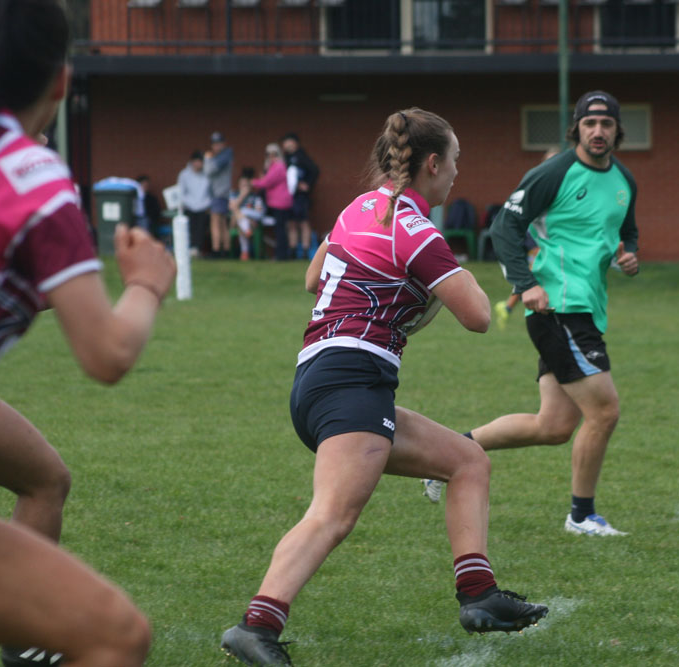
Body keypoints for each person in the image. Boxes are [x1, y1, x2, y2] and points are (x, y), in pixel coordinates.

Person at [219, 108, 548, 667]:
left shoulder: (357, 208)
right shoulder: (417, 230)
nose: (457, 174)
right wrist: (443, 276)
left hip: (323, 377)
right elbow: (478, 316)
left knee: (467, 460)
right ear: (433, 163)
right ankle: (257, 625)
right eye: (456, 161)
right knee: (331, 515)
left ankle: (480, 596)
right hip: (353, 380)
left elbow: (312, 278)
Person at [0, 0, 176, 664]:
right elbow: (108, 352)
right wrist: (146, 282)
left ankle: (23, 642)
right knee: (115, 634)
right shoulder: (28, 173)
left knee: (44, 476)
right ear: (61, 80)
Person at [424, 91, 639, 538]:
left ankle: (449, 452)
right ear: (577, 129)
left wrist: (628, 254)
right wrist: (526, 285)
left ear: (618, 130)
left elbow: (627, 230)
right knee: (604, 411)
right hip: (558, 306)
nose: (598, 131)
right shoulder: (554, 172)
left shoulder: (624, 181)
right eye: (589, 123)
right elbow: (505, 225)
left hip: (588, 308)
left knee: (554, 426)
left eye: (606, 123)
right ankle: (582, 517)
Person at [493, 147, 558, 331]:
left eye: (556, 162)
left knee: (535, 276)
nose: (553, 167)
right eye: (549, 162)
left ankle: (507, 308)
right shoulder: (537, 187)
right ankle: (508, 308)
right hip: (531, 241)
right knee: (532, 274)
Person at [252, 143, 293, 261]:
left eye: (274, 154)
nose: (271, 157)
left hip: (280, 202)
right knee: (280, 229)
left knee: (280, 230)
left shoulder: (278, 166)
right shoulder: (273, 166)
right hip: (277, 202)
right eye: (268, 154)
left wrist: (253, 182)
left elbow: (267, 182)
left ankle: (281, 255)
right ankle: (282, 254)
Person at [282, 132, 319, 259]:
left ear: (294, 143)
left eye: (288, 141)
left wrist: (307, 184)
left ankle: (305, 250)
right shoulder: (285, 158)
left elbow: (314, 170)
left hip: (300, 196)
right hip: (288, 195)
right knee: (291, 222)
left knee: (303, 222)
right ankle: (292, 250)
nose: (286, 144)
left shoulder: (301, 156)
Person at [177, 149, 211, 257]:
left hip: (203, 207)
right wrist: (185, 203)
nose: (199, 164)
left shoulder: (207, 174)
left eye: (201, 162)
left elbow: (209, 191)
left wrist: (207, 204)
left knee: (200, 229)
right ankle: (189, 248)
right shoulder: (184, 174)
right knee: (190, 228)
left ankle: (197, 249)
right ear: (192, 162)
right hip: (189, 206)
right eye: (197, 161)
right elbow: (181, 191)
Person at [205, 130, 233, 258]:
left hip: (219, 193)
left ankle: (216, 250)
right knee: (221, 222)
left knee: (215, 221)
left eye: (219, 143)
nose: (216, 146)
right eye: (214, 144)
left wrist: (207, 158)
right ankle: (225, 251)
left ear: (223, 144)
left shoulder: (226, 154)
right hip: (220, 194)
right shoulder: (220, 156)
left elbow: (209, 170)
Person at [229, 167, 265, 260]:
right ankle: (246, 229)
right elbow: (231, 208)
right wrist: (241, 196)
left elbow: (259, 212)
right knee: (239, 213)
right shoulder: (234, 194)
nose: (243, 187)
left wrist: (246, 215)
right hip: (234, 222)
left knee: (242, 217)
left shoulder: (255, 197)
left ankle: (244, 253)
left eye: (245, 185)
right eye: (241, 185)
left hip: (250, 223)